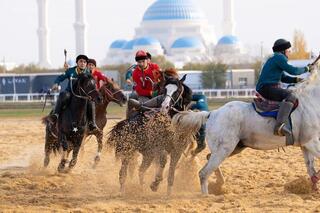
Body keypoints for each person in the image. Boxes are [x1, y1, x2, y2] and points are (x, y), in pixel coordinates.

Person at [256, 38, 311, 136]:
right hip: (267, 88)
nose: (289, 53)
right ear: (283, 50)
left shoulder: (275, 58)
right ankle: (279, 126)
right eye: (288, 50)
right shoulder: (279, 58)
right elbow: (293, 70)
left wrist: (296, 80)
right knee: (291, 96)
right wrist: (307, 68)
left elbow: (283, 77)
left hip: (266, 87)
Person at [48, 54, 100, 133]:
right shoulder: (70, 71)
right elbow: (60, 78)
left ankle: (92, 123)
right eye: (81, 61)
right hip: (70, 93)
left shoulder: (88, 73)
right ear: (77, 63)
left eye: (84, 62)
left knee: (91, 103)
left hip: (83, 96)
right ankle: (55, 115)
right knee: (63, 95)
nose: (82, 63)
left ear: (86, 64)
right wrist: (56, 83)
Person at [126, 50, 161, 118]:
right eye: (139, 62)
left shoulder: (154, 67)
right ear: (137, 62)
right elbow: (139, 90)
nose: (141, 64)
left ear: (147, 60)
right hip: (144, 96)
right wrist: (151, 93)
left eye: (143, 61)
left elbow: (160, 79)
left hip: (158, 93)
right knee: (144, 106)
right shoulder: (135, 73)